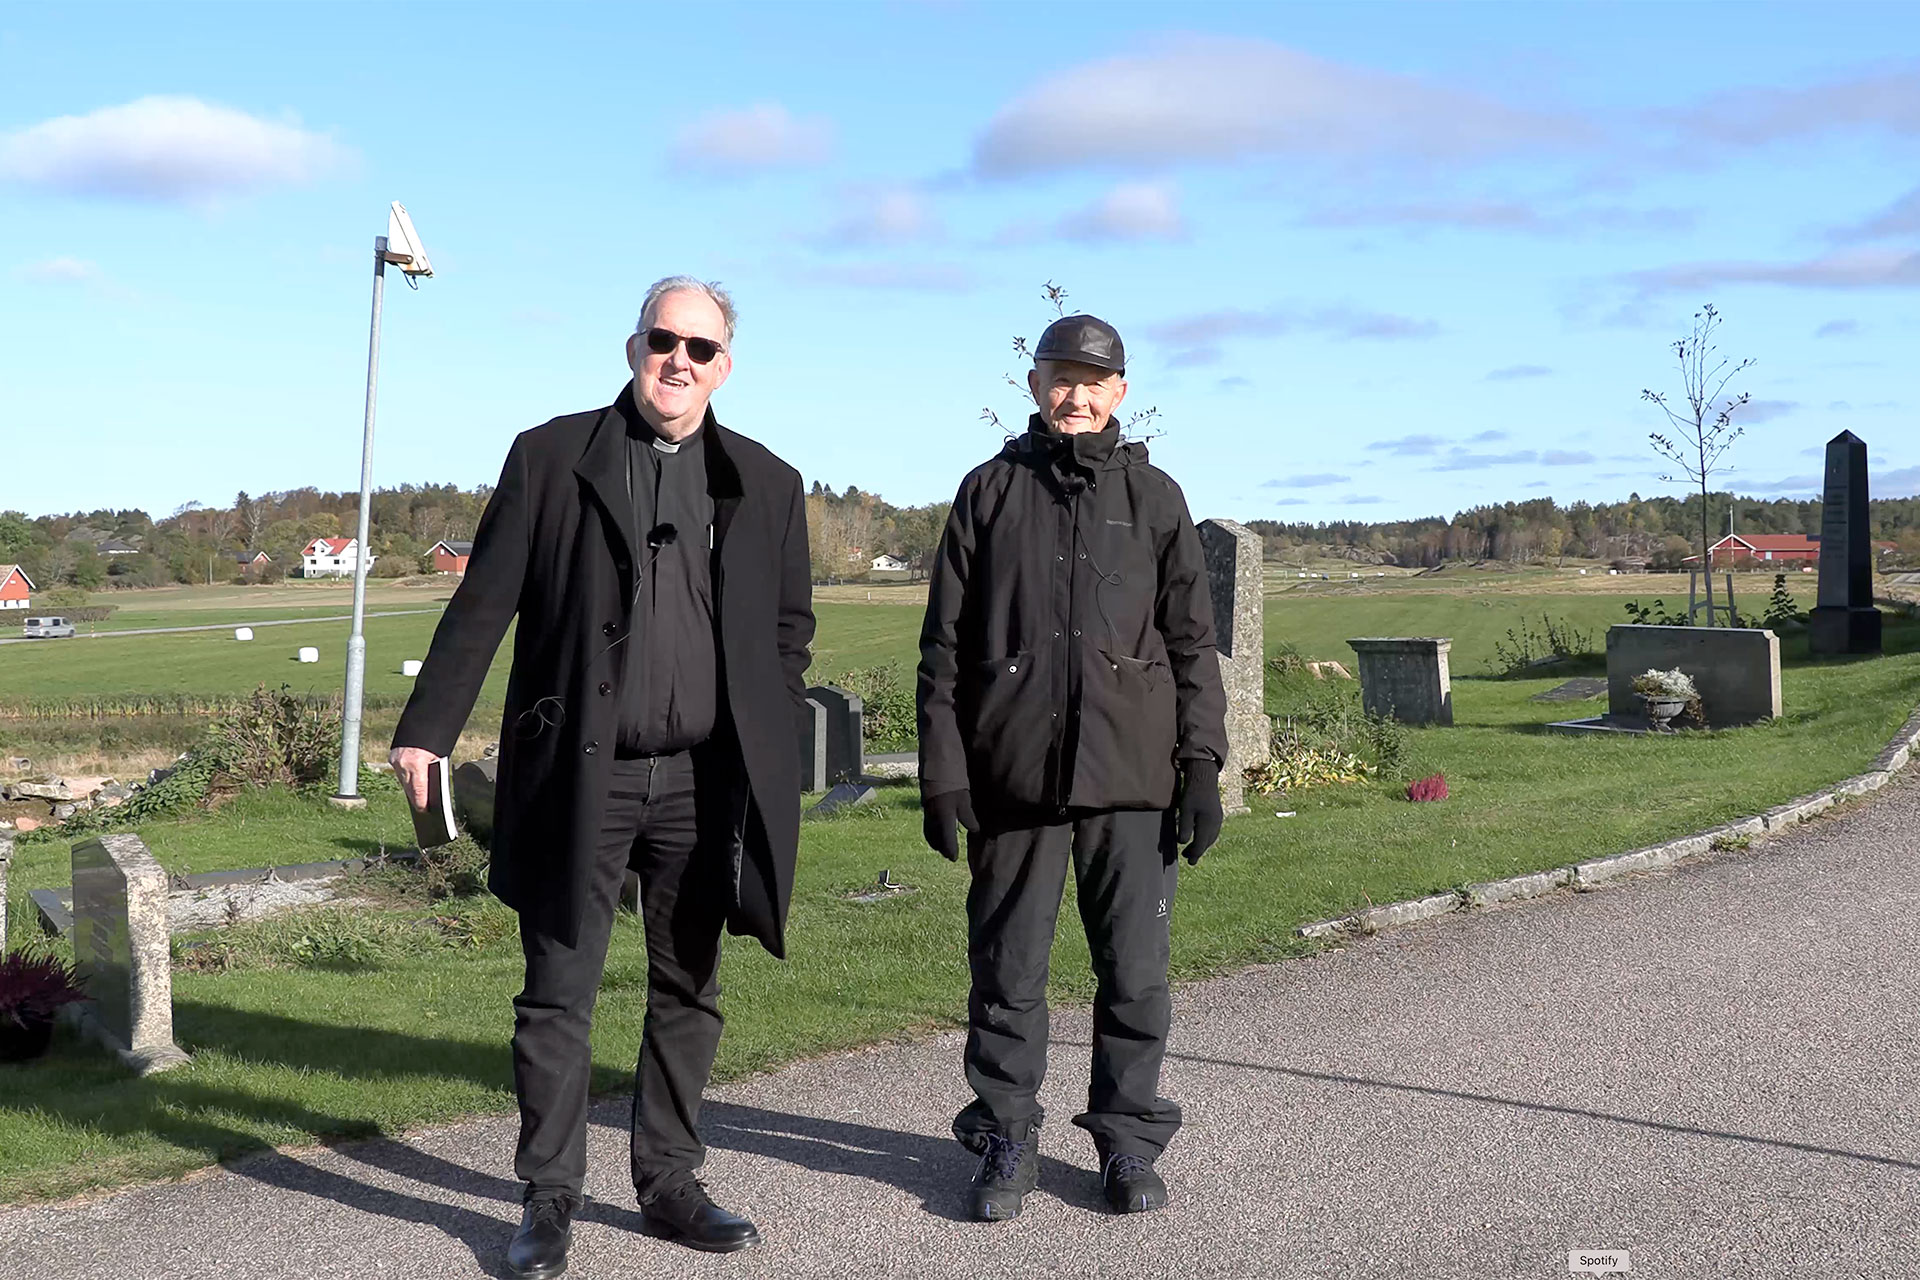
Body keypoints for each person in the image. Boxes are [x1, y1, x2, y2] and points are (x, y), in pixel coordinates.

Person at [390, 277, 813, 1274]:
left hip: (704, 779)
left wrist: (771, 725)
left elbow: (787, 629)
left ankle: (670, 1183)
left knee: (690, 985)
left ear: (725, 367)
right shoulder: (551, 457)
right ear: (634, 347)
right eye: (664, 339)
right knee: (557, 990)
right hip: (580, 774)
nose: (678, 361)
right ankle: (548, 1198)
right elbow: (483, 603)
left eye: (700, 348)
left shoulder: (767, 481)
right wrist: (427, 730)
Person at [916, 313, 1228, 1222]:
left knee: (1134, 973)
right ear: (1035, 385)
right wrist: (943, 774)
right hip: (1014, 780)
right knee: (1008, 971)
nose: (1077, 396)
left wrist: (1202, 765)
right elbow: (944, 649)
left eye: (1094, 382)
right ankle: (1005, 1138)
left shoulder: (1155, 497)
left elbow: (1192, 643)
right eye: (1061, 378)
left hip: (1132, 779)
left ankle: (1127, 1142)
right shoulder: (989, 492)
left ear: (1120, 391)